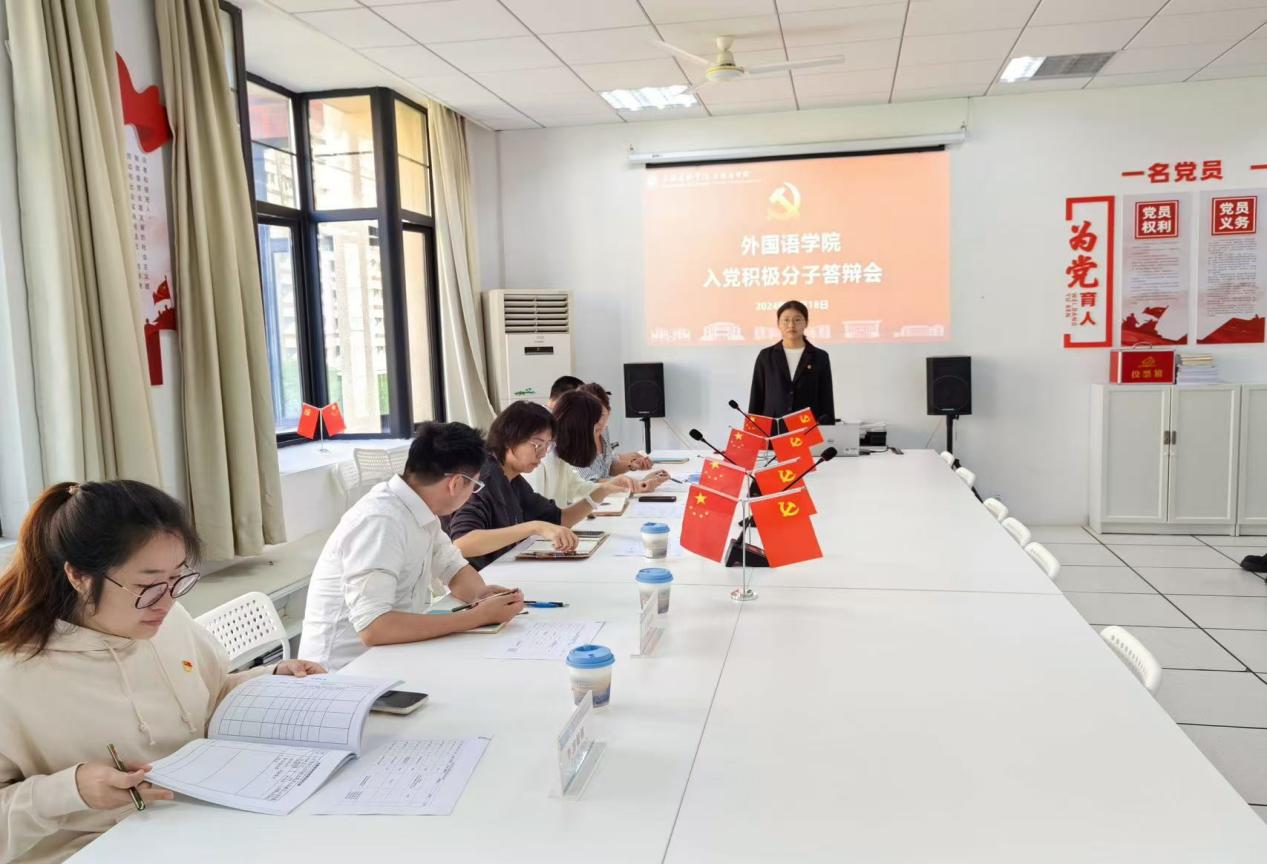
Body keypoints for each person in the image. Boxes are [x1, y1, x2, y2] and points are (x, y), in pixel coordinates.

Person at [0, 481, 325, 864]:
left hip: (204, 823)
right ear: (79, 576)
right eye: (148, 585)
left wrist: (269, 679)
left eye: (177, 579)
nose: (167, 602)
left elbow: (209, 696)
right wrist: (71, 790)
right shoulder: (14, 673)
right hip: (97, 849)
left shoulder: (167, 621)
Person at [298, 422, 525, 671]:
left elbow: (452, 566)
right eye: (475, 486)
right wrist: (476, 617)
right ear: (456, 483)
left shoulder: (418, 508)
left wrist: (480, 596)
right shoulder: (381, 521)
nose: (473, 495)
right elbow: (374, 628)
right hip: (342, 672)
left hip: (390, 655)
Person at [447, 401, 600, 570]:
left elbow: (560, 519)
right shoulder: (483, 478)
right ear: (509, 440)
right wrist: (534, 527)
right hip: (480, 579)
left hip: (501, 573)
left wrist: (603, 491)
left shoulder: (513, 480)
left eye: (547, 446)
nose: (542, 454)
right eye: (537, 444)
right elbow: (463, 543)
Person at [526, 390, 667, 507]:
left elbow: (580, 488)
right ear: (579, 428)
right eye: (595, 430)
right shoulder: (540, 462)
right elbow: (540, 520)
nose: (597, 436)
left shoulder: (559, 455)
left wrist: (627, 485)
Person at [748, 300, 835, 430]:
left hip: (808, 429)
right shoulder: (766, 356)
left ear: (806, 322)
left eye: (797, 320)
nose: (791, 325)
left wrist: (829, 431)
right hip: (773, 429)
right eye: (786, 320)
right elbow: (757, 397)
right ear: (778, 323)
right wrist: (752, 432)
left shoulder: (820, 357)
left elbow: (826, 398)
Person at [575, 382, 654, 480]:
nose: (598, 422)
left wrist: (631, 465)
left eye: (602, 415)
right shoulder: (573, 442)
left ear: (609, 412)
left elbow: (609, 467)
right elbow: (591, 482)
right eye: (590, 416)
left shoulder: (603, 431)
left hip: (610, 489)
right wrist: (636, 484)